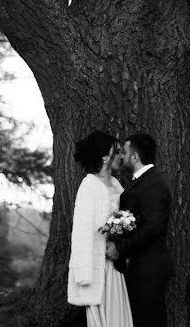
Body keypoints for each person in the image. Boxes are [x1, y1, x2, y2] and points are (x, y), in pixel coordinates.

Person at [68, 131, 134, 327]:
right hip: (98, 262)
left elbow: (126, 214)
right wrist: (84, 271)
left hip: (115, 260)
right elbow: (82, 230)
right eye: (116, 152)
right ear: (105, 157)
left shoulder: (115, 183)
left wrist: (123, 231)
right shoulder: (89, 185)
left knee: (117, 313)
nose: (121, 157)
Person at [105, 133, 172, 327]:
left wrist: (120, 249)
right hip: (139, 269)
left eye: (124, 152)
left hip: (149, 270)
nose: (121, 156)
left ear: (135, 157)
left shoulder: (154, 184)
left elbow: (153, 226)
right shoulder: (142, 182)